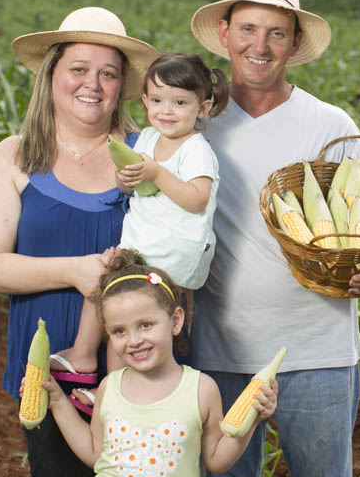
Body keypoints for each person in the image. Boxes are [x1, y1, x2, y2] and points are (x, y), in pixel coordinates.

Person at [188, 0, 360, 477]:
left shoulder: (331, 126)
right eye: (247, 29)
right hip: (220, 353)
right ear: (223, 33)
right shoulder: (194, 122)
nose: (259, 47)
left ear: (294, 43)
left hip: (317, 351)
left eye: (275, 33)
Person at [0, 6, 159, 477]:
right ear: (51, 74)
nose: (92, 84)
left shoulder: (145, 156)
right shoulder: (16, 156)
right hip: (51, 364)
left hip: (138, 359)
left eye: (108, 73)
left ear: (122, 86)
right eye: (79, 68)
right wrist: (76, 272)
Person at [39, 249, 277, 477]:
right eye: (118, 331)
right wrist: (58, 402)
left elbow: (216, 460)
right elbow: (96, 455)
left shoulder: (201, 389)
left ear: (176, 321)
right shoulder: (110, 387)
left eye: (146, 325)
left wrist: (254, 416)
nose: (134, 340)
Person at [52, 52, 230, 384]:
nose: (167, 110)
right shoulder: (148, 138)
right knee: (110, 293)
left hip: (170, 254)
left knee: (133, 315)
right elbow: (135, 185)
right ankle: (90, 363)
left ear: (202, 108)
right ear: (145, 100)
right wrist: (128, 179)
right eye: (158, 100)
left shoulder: (196, 149)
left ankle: (115, 381)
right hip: (143, 245)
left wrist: (157, 172)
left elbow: (197, 199)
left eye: (180, 102)